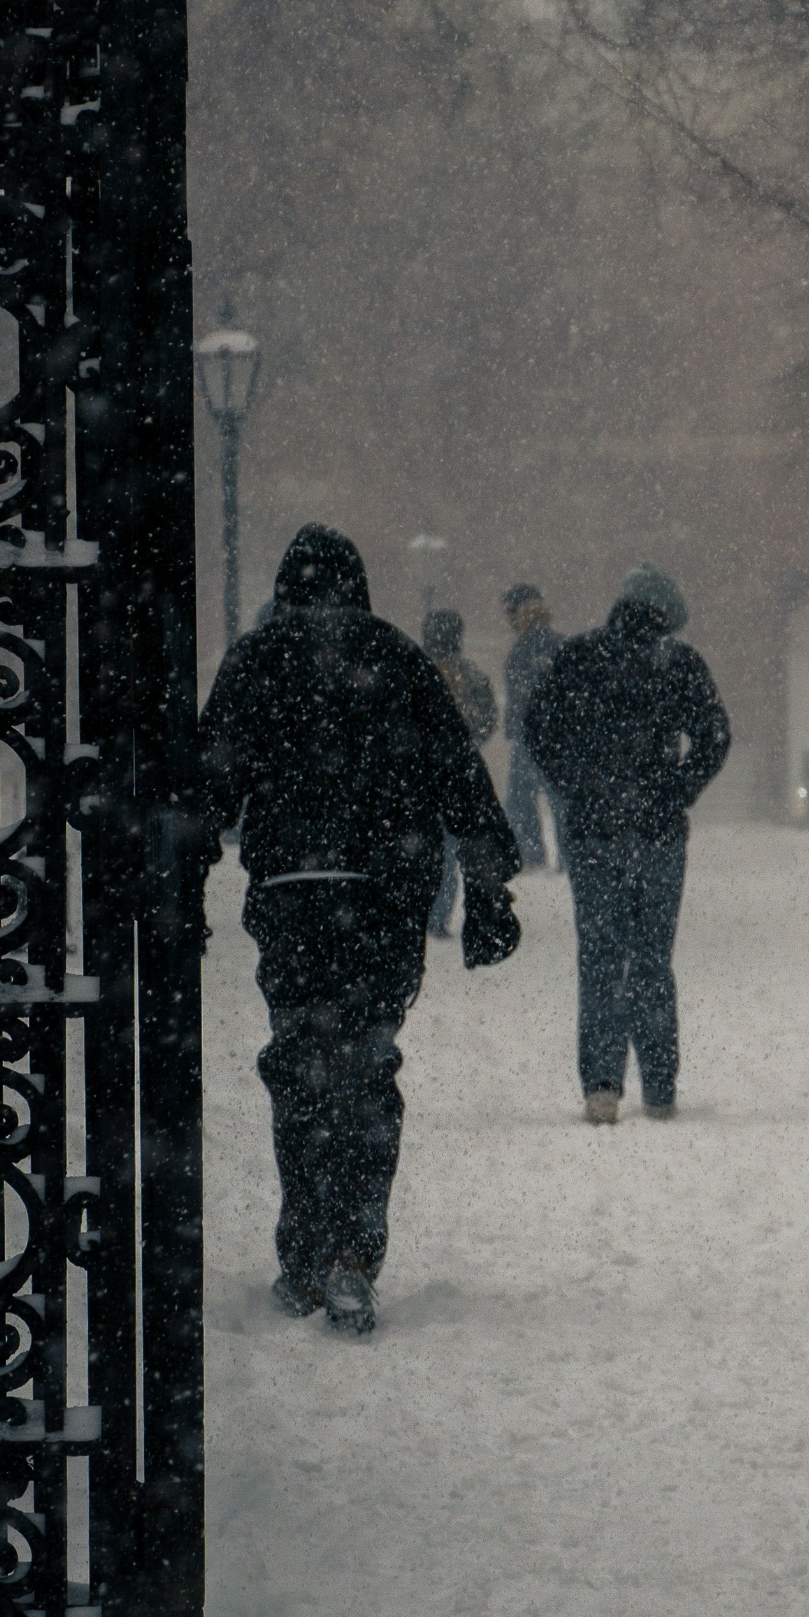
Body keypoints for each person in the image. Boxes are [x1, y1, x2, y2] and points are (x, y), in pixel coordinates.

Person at [198, 524, 522, 1337]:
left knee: (300, 1062)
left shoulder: (256, 660)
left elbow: (210, 780)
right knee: (366, 1067)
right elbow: (458, 770)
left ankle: (304, 1251)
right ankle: (351, 1250)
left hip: (293, 891)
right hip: (383, 893)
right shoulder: (397, 656)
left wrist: (176, 880)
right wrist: (487, 889)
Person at [524, 562, 729, 1126]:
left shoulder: (579, 656)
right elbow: (716, 734)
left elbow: (538, 727)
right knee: (652, 960)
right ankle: (659, 1088)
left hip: (594, 831)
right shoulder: (679, 663)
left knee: (600, 956)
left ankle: (602, 1086)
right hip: (659, 833)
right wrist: (678, 788)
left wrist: (576, 783)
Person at [421, 606, 497, 936]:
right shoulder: (471, 675)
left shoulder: (415, 672)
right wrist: (467, 743)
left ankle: (425, 912)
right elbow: (488, 720)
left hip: (420, 774)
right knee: (453, 846)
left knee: (426, 847)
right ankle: (442, 916)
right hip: (460, 772)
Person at [502, 581, 562, 870]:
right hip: (562, 738)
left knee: (520, 799)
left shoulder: (520, 651)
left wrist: (514, 726)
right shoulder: (562, 644)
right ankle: (570, 857)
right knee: (562, 800)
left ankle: (531, 856)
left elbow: (519, 697)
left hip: (529, 738)